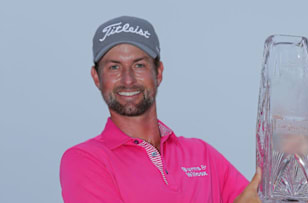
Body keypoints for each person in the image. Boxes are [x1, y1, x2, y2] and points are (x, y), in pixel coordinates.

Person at [60, 16, 261, 203]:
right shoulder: (85, 160)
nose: (128, 80)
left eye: (139, 65)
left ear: (158, 72)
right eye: (114, 67)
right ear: (96, 77)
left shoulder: (202, 154)